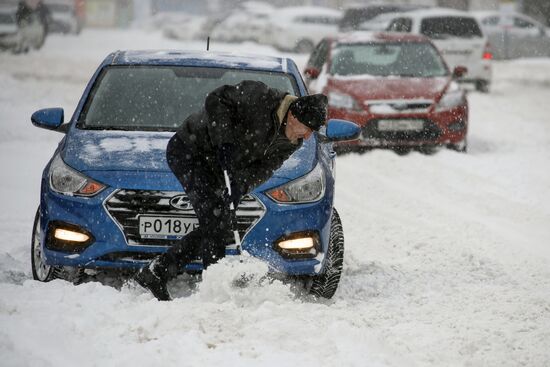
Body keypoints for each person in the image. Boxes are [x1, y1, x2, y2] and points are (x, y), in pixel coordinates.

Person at [134, 80, 328, 301]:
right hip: (191, 151)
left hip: (223, 169)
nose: (308, 136)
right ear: (294, 117)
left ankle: (162, 271)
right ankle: (203, 285)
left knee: (221, 221)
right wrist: (224, 141)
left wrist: (239, 186)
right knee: (215, 221)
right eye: (309, 129)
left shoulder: (292, 141)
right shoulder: (260, 97)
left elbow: (265, 168)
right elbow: (216, 99)